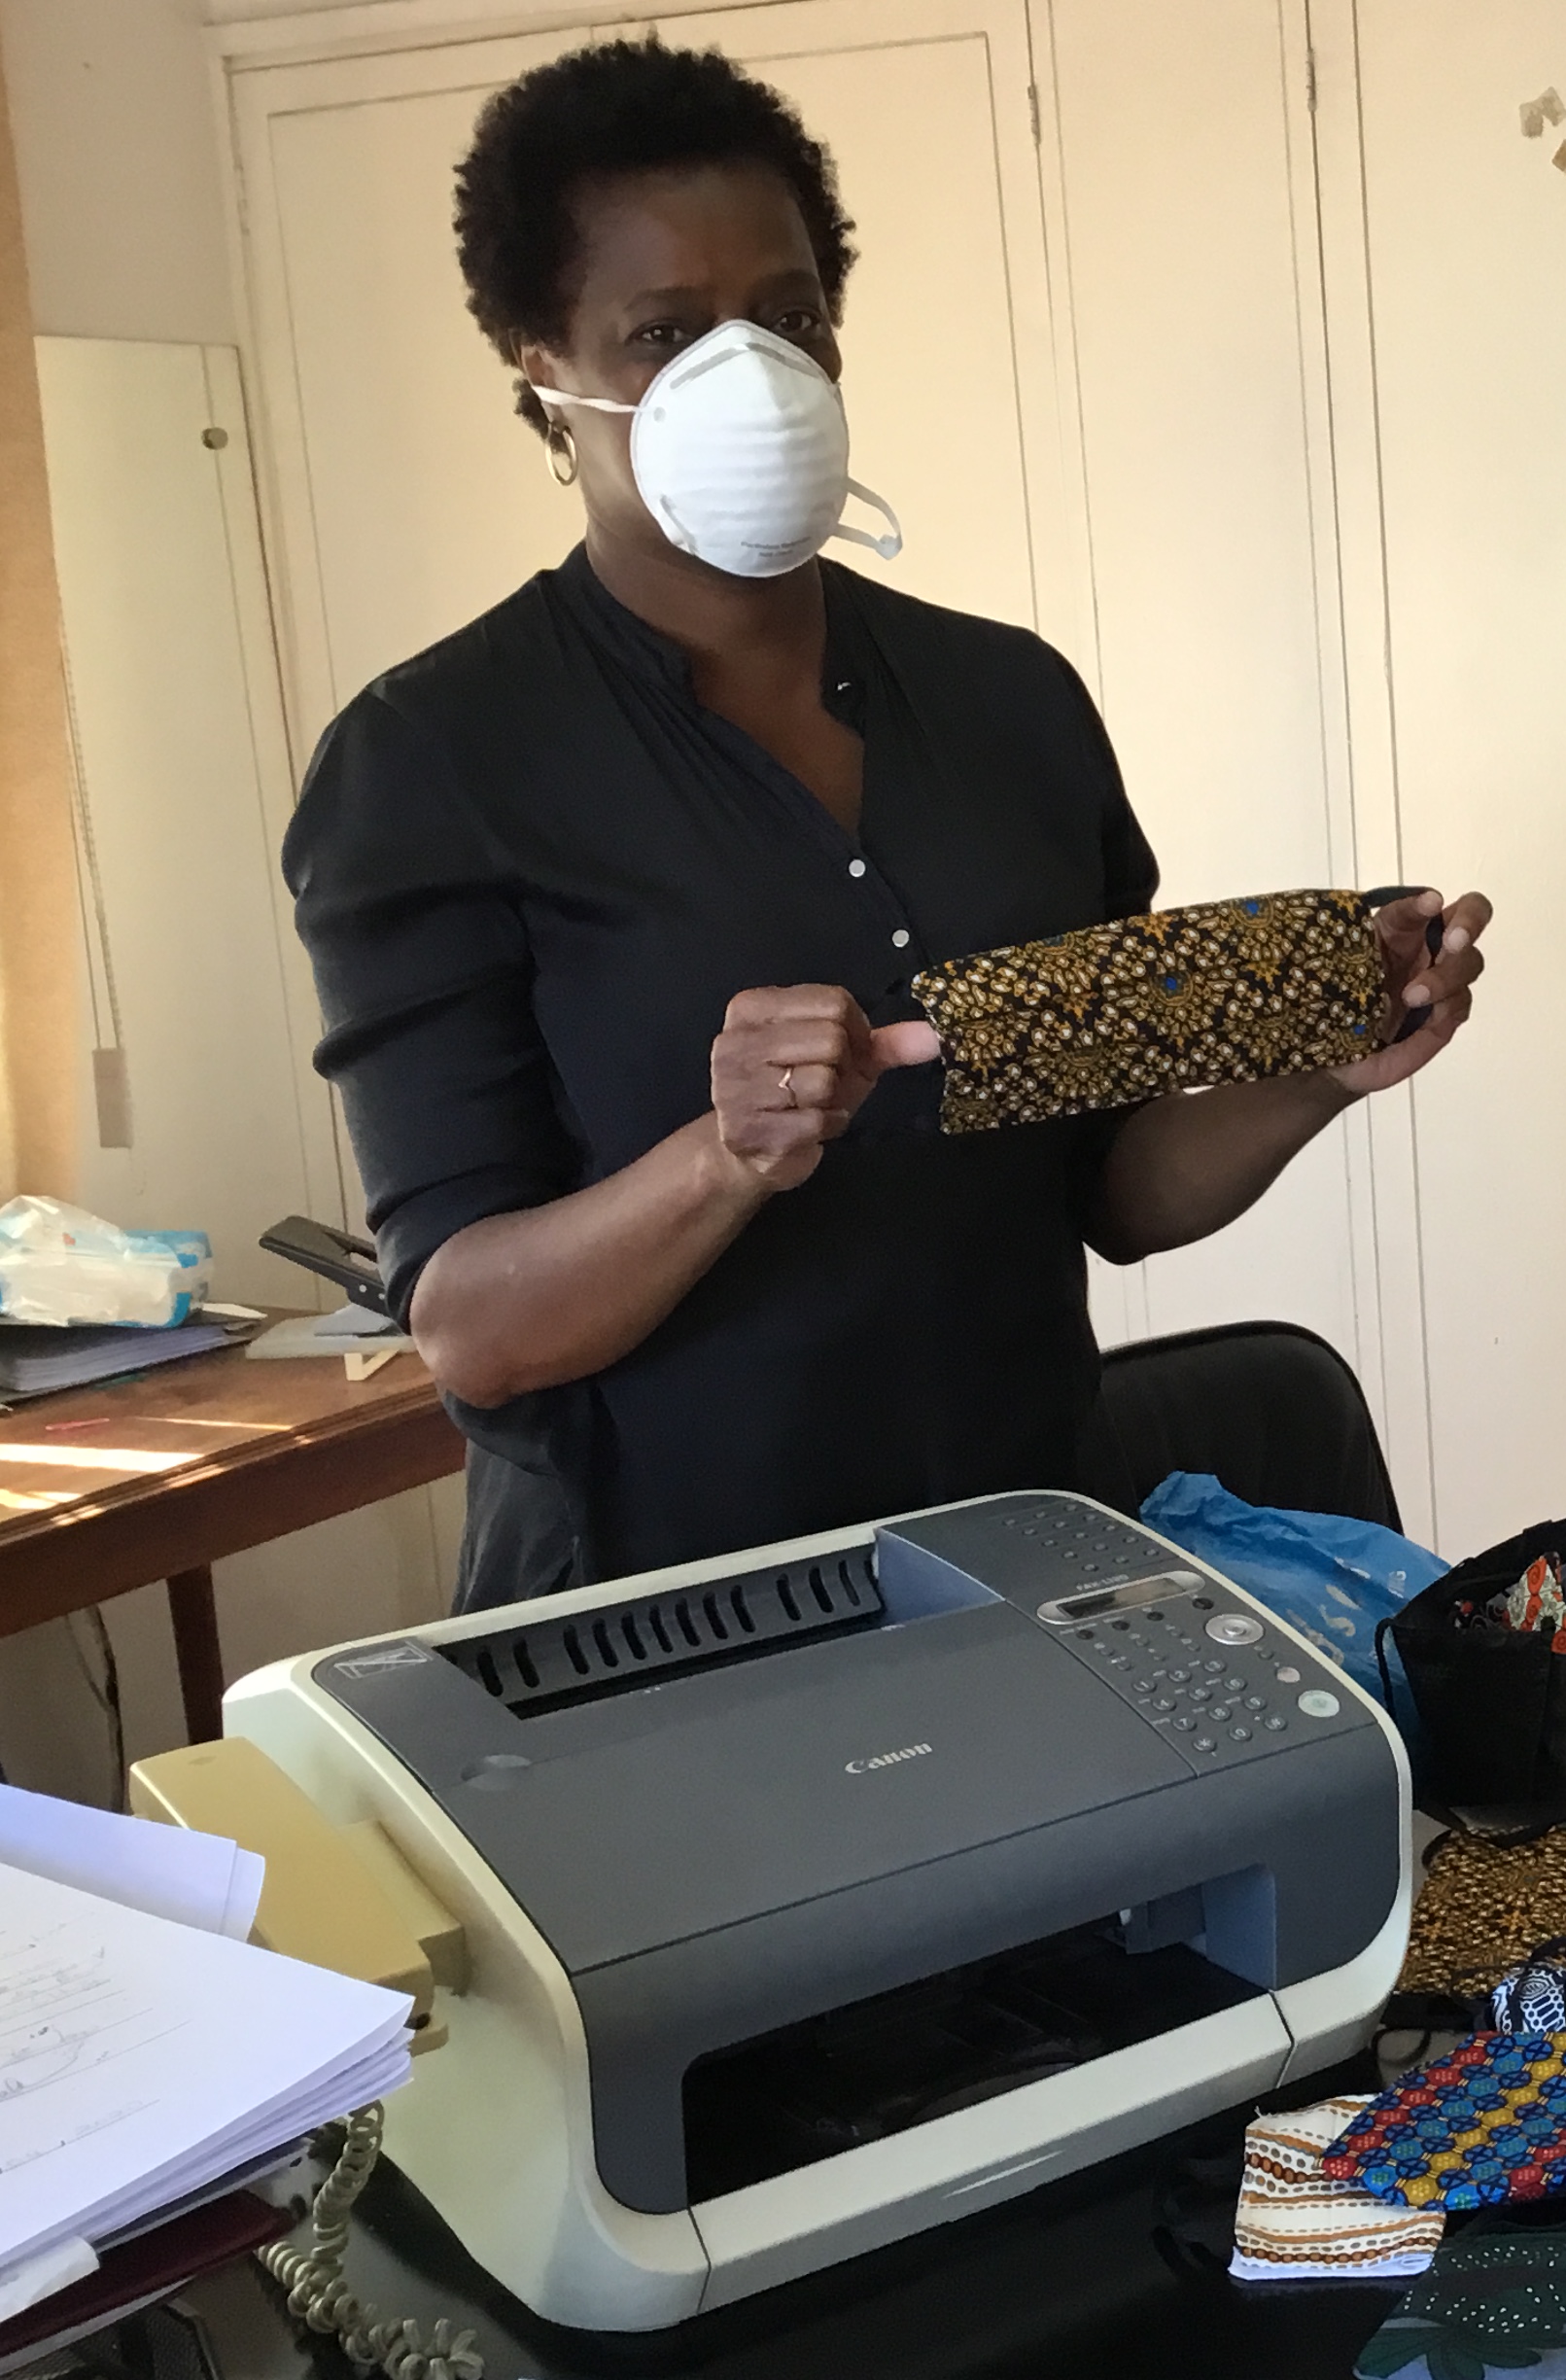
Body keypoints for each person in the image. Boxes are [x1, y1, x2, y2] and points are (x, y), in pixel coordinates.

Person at [285, 41, 1489, 1610]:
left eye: (788, 317)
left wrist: (1319, 1071)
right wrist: (722, 1161)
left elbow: (1111, 1192)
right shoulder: (431, 762)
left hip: (1029, 1574)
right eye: (663, 333)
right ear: (541, 366)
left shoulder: (1011, 704)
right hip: (660, 1633)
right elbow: (471, 1324)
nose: (749, 371)